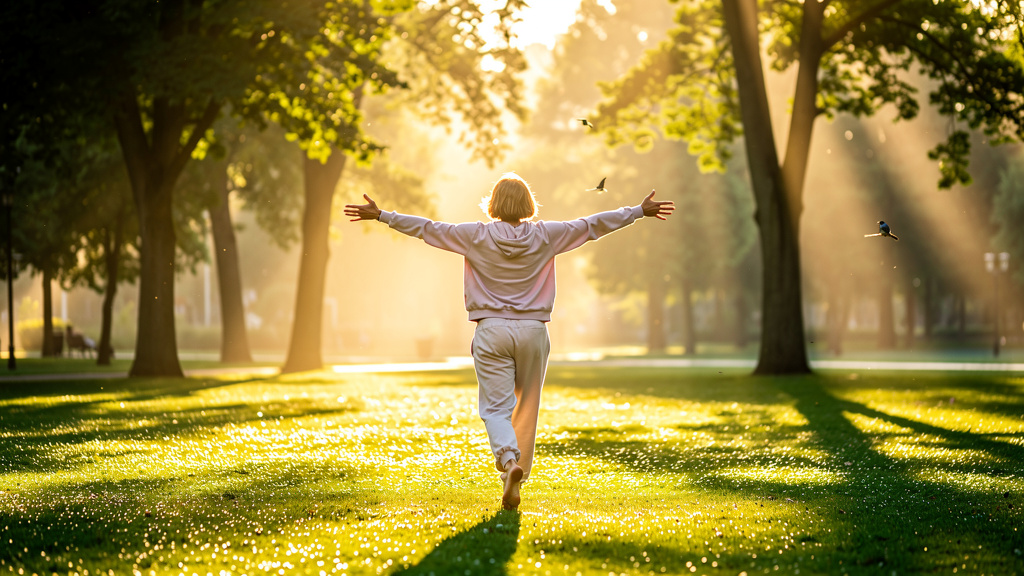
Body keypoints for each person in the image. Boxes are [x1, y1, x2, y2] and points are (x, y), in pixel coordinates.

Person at [344, 172, 674, 510]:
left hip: (491, 330)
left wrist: (384, 215)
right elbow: (592, 226)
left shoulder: (475, 235)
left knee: (496, 409)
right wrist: (637, 211)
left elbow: (428, 229)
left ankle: (507, 462)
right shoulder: (547, 235)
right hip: (533, 329)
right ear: (528, 204)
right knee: (527, 406)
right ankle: (515, 474)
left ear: (494, 204)